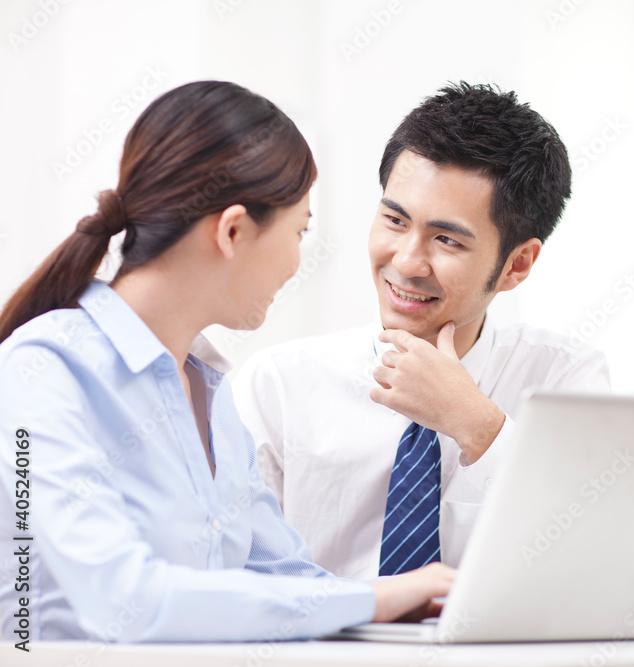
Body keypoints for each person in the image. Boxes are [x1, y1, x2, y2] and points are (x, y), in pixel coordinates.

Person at [0, 81, 451, 644]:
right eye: (299, 232)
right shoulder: (42, 370)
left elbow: (285, 578)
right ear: (233, 230)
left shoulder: (210, 394)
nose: (295, 263)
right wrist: (370, 598)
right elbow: (126, 600)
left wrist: (419, 600)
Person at [233, 82, 611, 581]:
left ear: (517, 264)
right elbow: (235, 579)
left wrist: (476, 424)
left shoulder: (563, 380)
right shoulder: (278, 385)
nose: (407, 262)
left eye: (447, 240)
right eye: (394, 219)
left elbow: (588, 564)